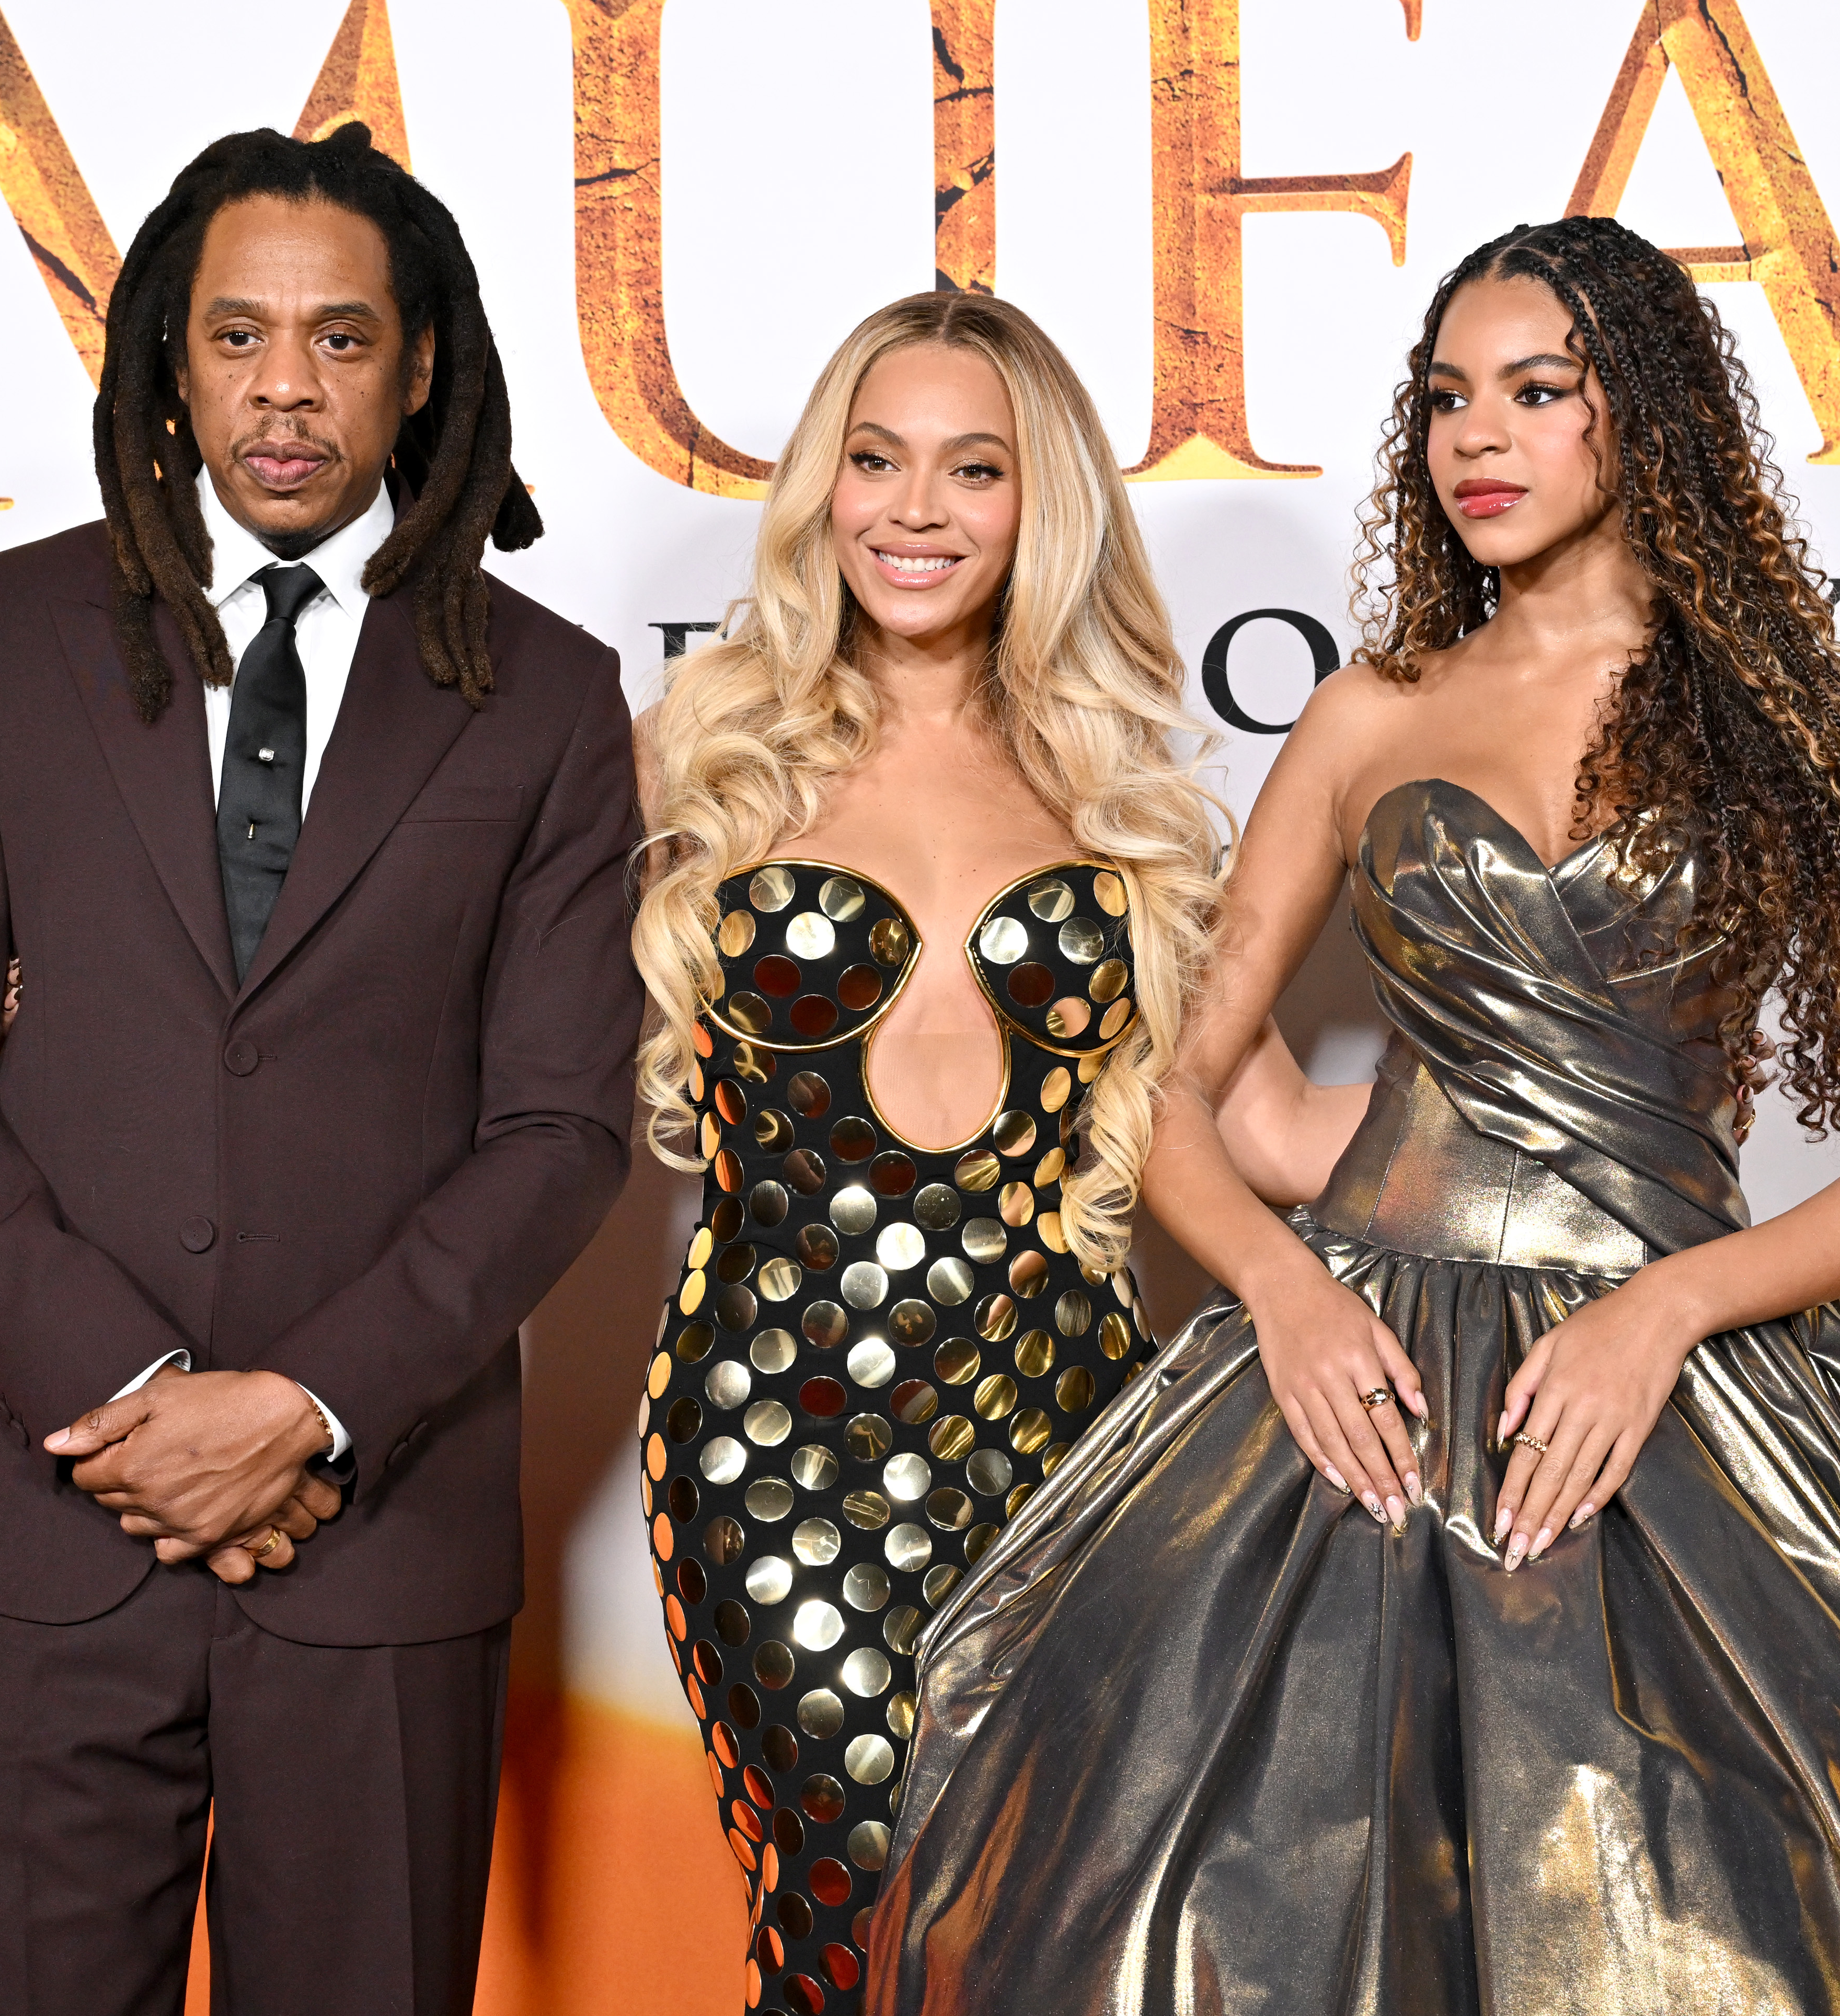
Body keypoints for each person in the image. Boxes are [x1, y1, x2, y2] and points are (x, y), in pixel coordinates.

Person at [869, 217, 1840, 2015]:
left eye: (1538, 393)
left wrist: (1668, 1305)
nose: (1480, 438)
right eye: (1449, 400)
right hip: (1364, 1379)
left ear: (1647, 422)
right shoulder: (1366, 717)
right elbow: (1167, 1088)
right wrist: (1289, 1290)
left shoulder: (1786, 734)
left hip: (1678, 1385)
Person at [0, 125, 642, 2016]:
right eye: (240, 336)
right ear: (170, 364)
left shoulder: (544, 694)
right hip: (52, 1526)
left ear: (421, 363)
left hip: (378, 1540)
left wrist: (304, 1409)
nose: (288, 388)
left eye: (343, 340)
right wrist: (133, 1402)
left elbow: (558, 1130)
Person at [629, 292, 1223, 2016]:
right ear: (821, 488)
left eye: (975, 469)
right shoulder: (700, 755)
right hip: (779, 1442)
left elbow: (1242, 1126)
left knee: (1042, 1934)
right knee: (858, 1899)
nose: (915, 508)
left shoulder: (1118, 793)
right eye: (876, 460)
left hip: (1073, 1440)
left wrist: (1556, 1138)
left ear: (1044, 506)